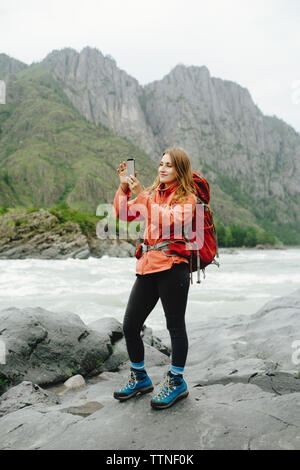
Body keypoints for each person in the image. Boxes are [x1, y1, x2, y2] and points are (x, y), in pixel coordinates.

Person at [112, 148, 197, 409]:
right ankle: (139, 377)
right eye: (160, 164)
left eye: (169, 166)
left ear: (179, 170)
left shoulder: (189, 199)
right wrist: (124, 189)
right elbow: (124, 214)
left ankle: (177, 381)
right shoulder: (152, 193)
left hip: (173, 268)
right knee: (130, 325)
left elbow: (170, 221)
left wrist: (142, 195)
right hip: (148, 267)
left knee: (175, 326)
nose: (162, 169)